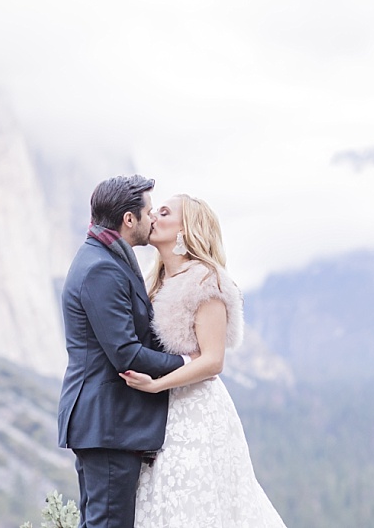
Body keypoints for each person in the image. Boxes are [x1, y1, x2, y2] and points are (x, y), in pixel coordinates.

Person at [120, 193, 288, 527]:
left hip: (197, 413)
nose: (152, 216)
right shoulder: (155, 281)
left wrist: (157, 384)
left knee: (195, 503)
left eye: (164, 212)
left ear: (187, 229)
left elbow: (213, 361)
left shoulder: (206, 281)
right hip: (161, 415)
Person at [57, 175, 193, 528]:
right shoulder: (101, 268)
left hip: (107, 425)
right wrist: (186, 363)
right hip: (108, 423)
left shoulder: (105, 258)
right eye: (148, 212)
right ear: (128, 219)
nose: (153, 219)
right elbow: (126, 354)